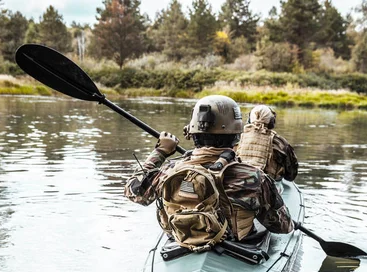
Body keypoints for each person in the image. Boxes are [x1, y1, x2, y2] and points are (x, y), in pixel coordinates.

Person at [124, 95, 293, 250]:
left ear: (192, 134)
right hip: (238, 246)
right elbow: (282, 226)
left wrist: (160, 152)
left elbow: (133, 192)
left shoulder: (169, 170)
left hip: (181, 241)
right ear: (236, 136)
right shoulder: (255, 177)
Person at [236, 105, 298, 182]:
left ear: (249, 120)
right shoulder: (279, 142)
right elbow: (291, 175)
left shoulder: (238, 138)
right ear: (272, 122)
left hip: (238, 183)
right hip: (266, 186)